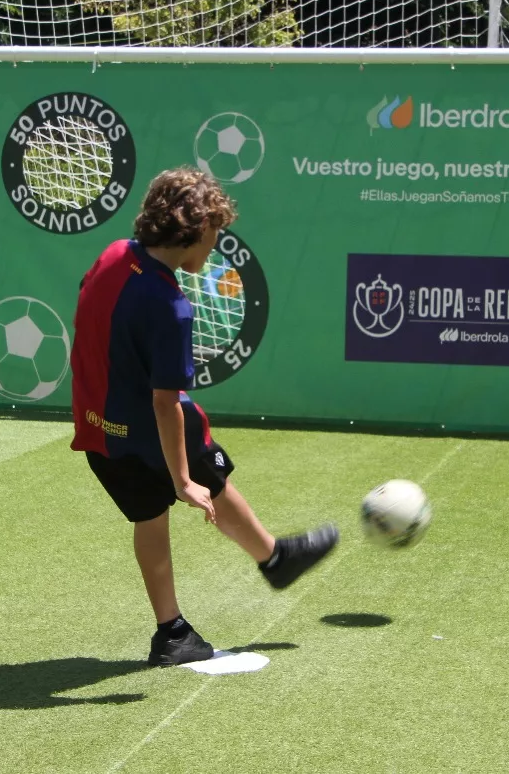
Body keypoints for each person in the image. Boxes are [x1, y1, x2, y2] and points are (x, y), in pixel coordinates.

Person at [71, 166, 338, 666]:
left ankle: (171, 632)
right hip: (150, 430)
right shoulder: (171, 307)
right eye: (215, 232)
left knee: (148, 519)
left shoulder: (113, 254)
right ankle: (274, 559)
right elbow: (164, 403)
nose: (216, 245)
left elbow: (89, 311)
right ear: (194, 232)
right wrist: (182, 482)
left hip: (97, 427)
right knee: (204, 467)